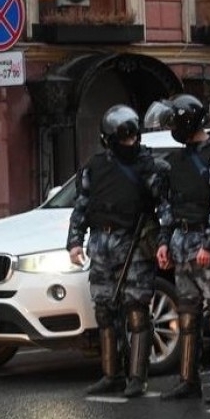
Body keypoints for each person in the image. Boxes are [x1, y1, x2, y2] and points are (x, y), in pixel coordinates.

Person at [66, 105, 169, 398]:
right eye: (124, 139)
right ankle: (112, 374)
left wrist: (162, 241)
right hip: (100, 244)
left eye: (134, 137)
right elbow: (82, 205)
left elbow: (165, 207)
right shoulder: (95, 166)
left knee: (136, 311)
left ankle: (137, 377)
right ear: (109, 139)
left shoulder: (149, 166)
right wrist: (74, 241)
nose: (131, 144)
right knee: (104, 311)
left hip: (133, 244)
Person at [152, 95, 210, 403]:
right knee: (187, 314)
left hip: (206, 241)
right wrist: (164, 241)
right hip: (181, 241)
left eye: (177, 123)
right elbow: (168, 206)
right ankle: (188, 380)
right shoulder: (176, 161)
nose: (174, 129)